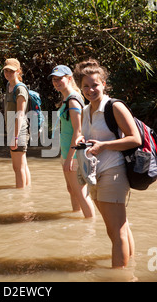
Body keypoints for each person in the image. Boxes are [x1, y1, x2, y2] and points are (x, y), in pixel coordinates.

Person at [73, 58, 141, 268]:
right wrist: (81, 141)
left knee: (116, 231)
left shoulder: (115, 106)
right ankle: (129, 268)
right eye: (86, 86)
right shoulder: (85, 111)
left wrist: (103, 145)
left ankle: (118, 275)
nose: (90, 89)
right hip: (95, 174)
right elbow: (87, 137)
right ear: (80, 87)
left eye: (95, 84)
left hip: (114, 171)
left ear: (103, 83)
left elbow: (135, 138)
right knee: (118, 228)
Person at [49, 65, 95, 217]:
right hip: (67, 151)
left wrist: (70, 157)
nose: (56, 82)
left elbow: (78, 131)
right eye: (54, 79)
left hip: (73, 153)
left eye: (59, 79)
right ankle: (76, 217)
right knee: (71, 189)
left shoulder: (73, 100)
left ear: (69, 78)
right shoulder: (66, 98)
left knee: (80, 192)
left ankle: (90, 225)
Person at [2, 58, 31, 188]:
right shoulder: (9, 86)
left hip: (19, 131)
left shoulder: (20, 89)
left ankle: (21, 197)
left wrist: (15, 137)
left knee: (17, 167)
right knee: (22, 164)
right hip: (13, 130)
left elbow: (20, 113)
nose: (8, 74)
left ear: (18, 71)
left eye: (11, 71)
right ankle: (26, 193)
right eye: (6, 71)